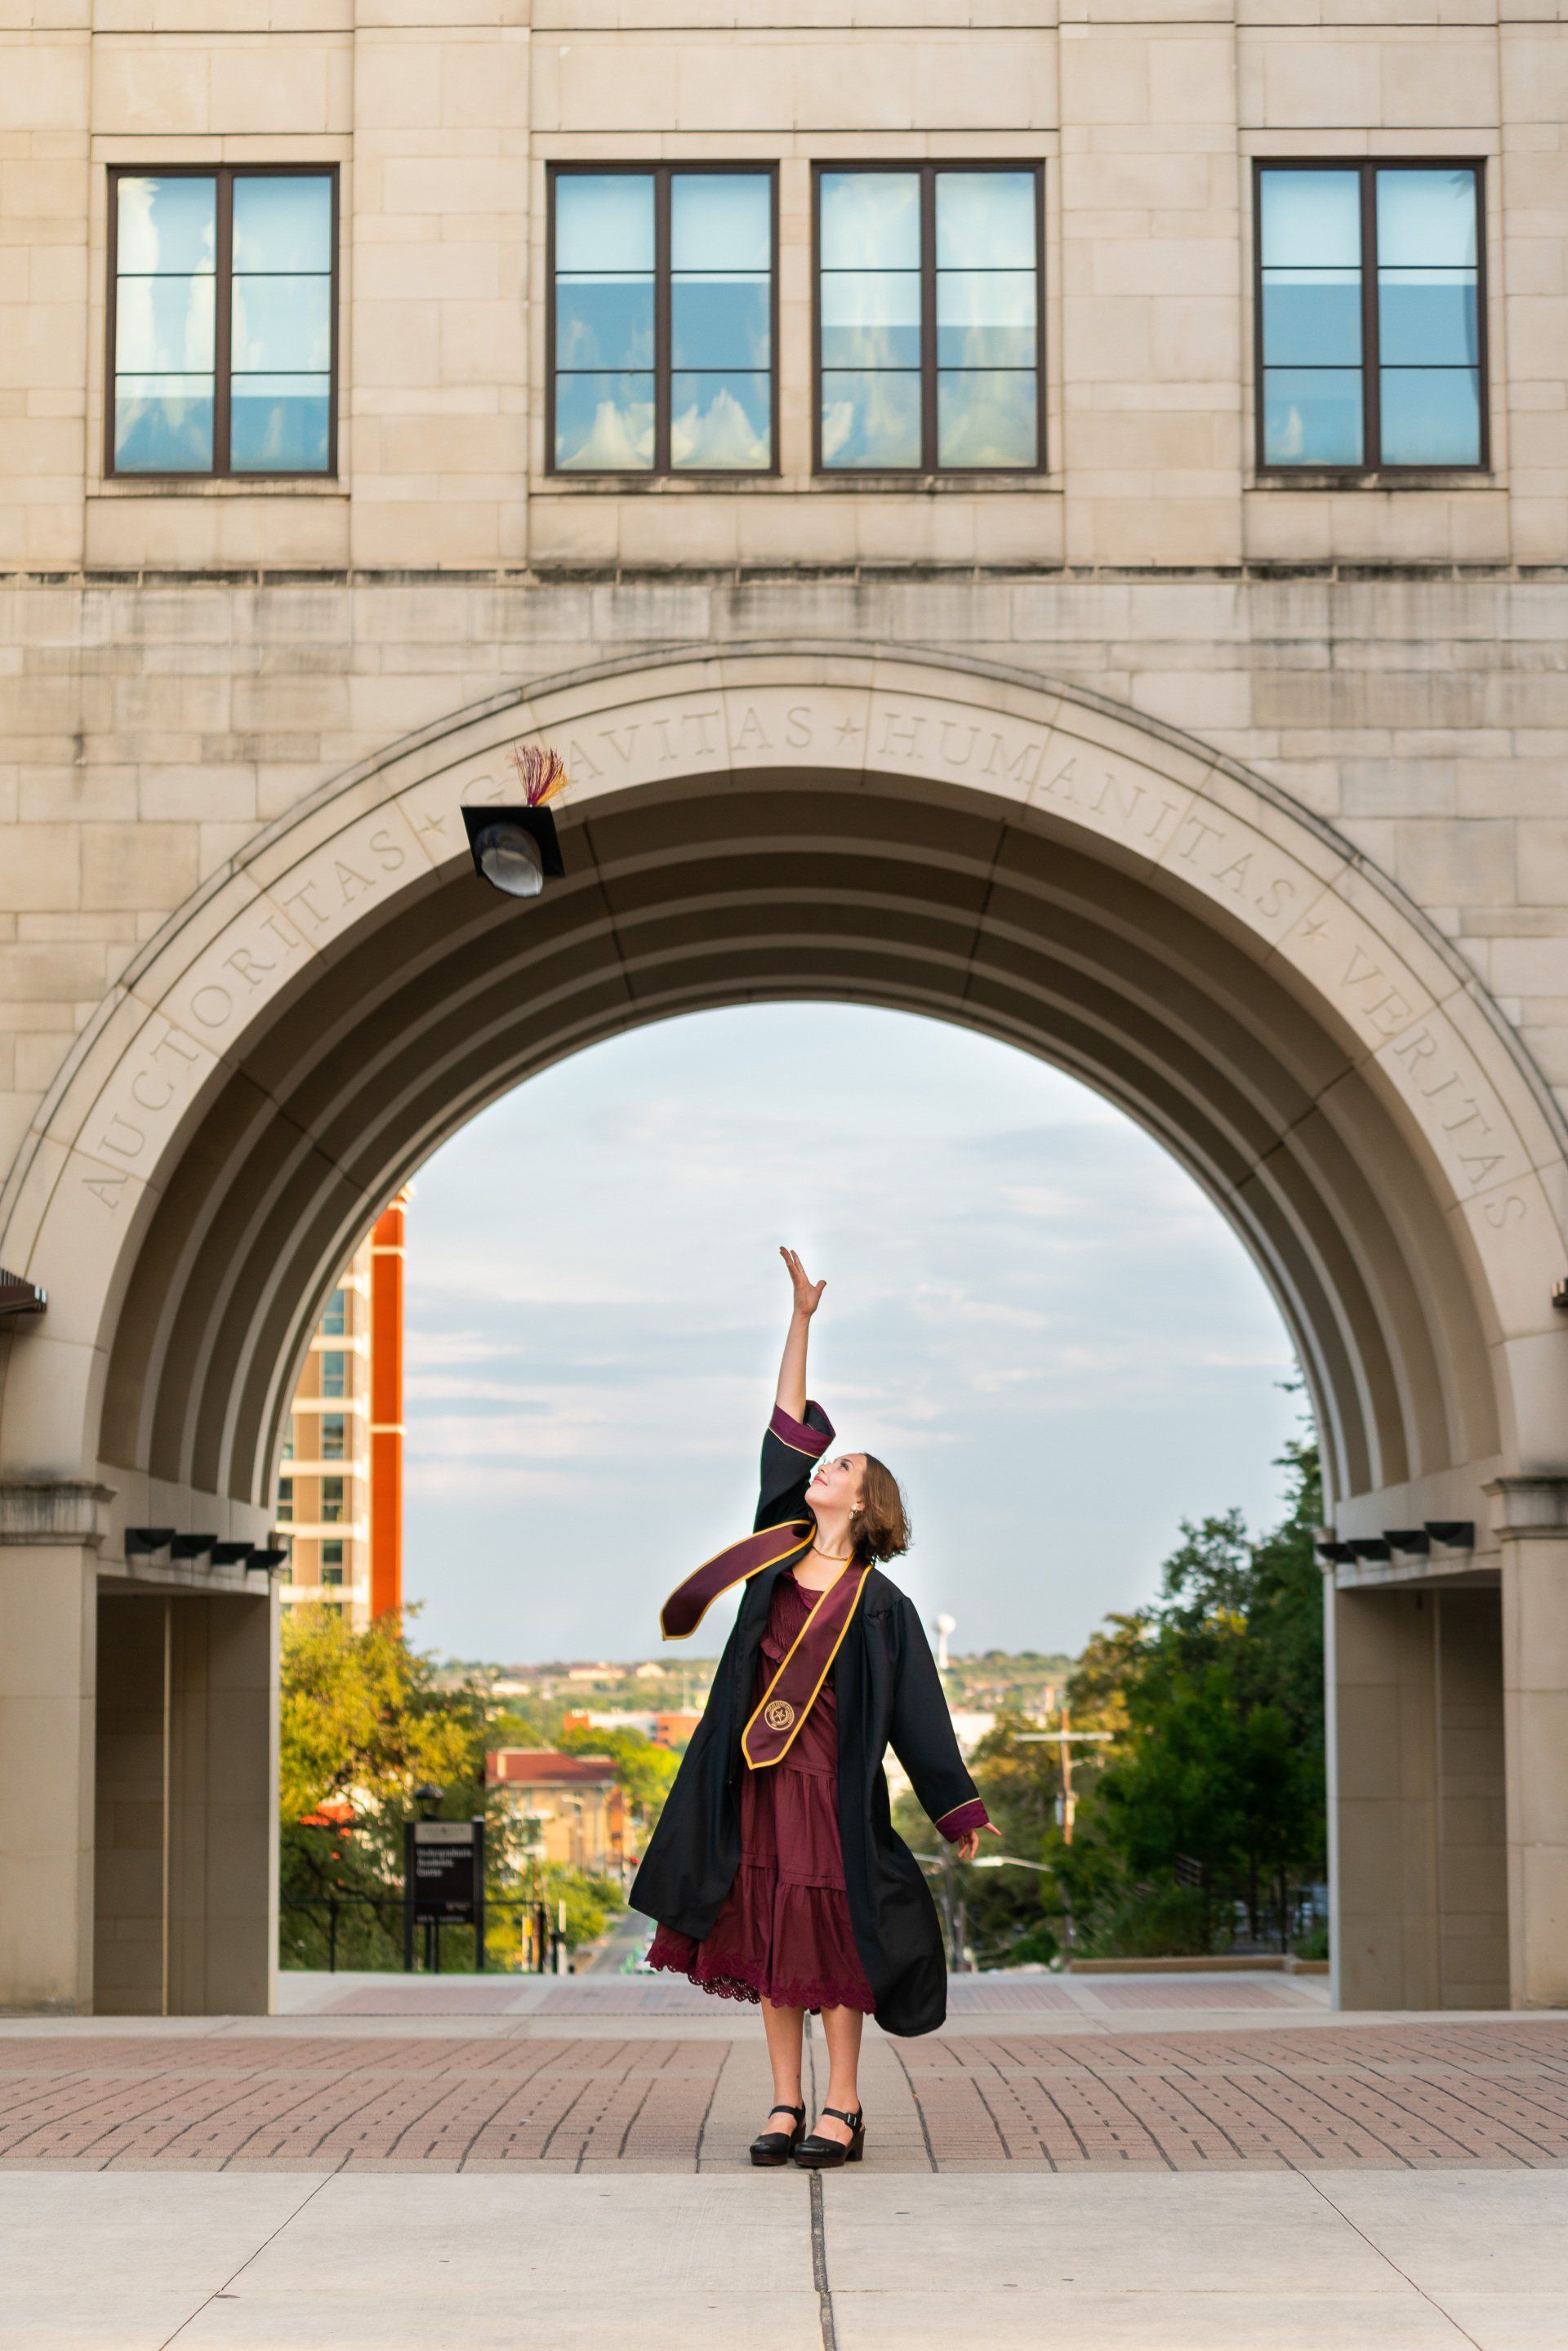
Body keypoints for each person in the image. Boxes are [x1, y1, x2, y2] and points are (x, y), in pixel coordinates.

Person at [630, 1247, 996, 2170]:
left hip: (833, 1795)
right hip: (754, 1779)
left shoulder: (880, 1607)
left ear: (868, 1503)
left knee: (830, 1941)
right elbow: (787, 1420)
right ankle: (785, 2102)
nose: (826, 1465)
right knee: (766, 1939)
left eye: (845, 1467)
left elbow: (921, 1712)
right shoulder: (775, 1545)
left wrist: (956, 1808)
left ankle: (844, 2105)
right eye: (827, 1462)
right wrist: (801, 1319)